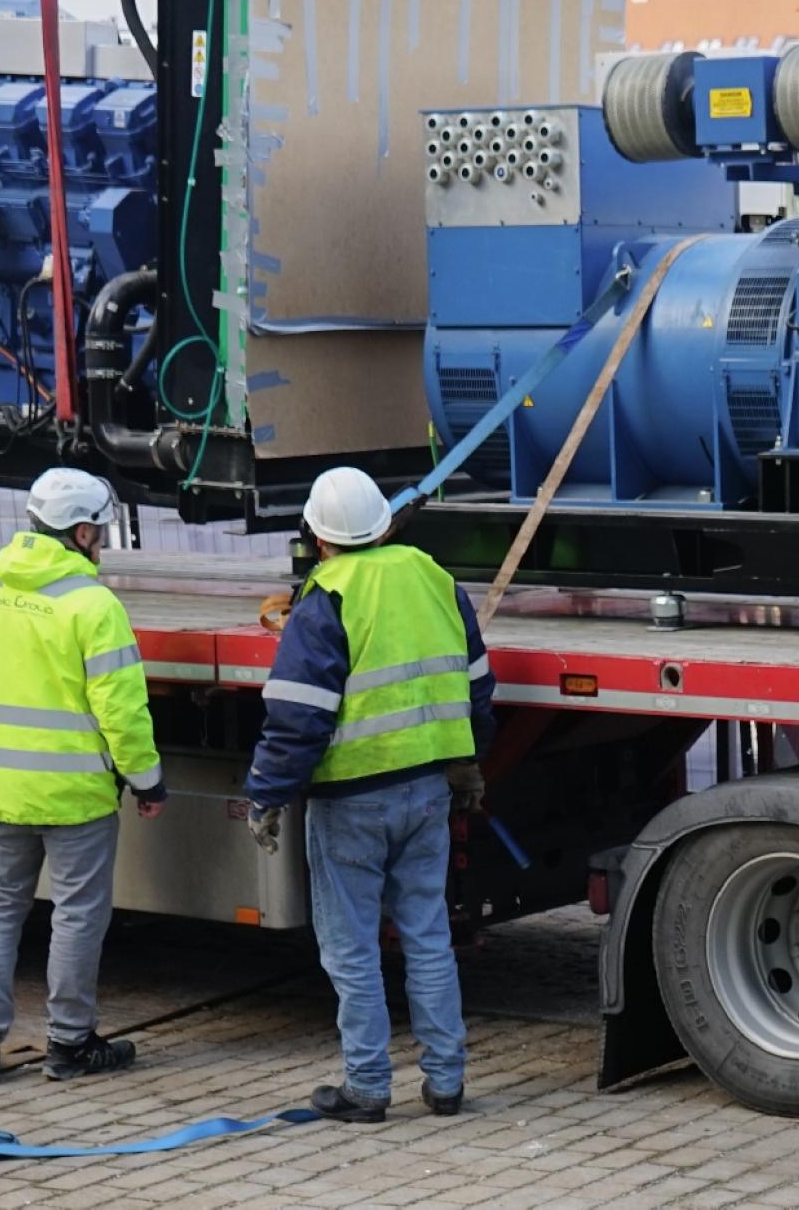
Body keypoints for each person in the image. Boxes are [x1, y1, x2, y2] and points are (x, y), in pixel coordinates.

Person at [243, 466, 497, 1123]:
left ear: (319, 539)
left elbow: (299, 715)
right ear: (385, 524)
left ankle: (367, 1088)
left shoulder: (325, 597)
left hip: (350, 801)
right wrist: (468, 762)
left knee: (352, 950)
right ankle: (446, 1084)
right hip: (428, 790)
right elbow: (475, 681)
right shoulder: (432, 576)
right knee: (428, 937)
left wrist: (268, 794)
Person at [0, 468, 166, 1085]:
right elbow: (122, 711)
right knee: (77, 914)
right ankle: (69, 1044)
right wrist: (146, 781)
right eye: (102, 533)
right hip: (75, 798)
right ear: (83, 531)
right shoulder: (94, 606)